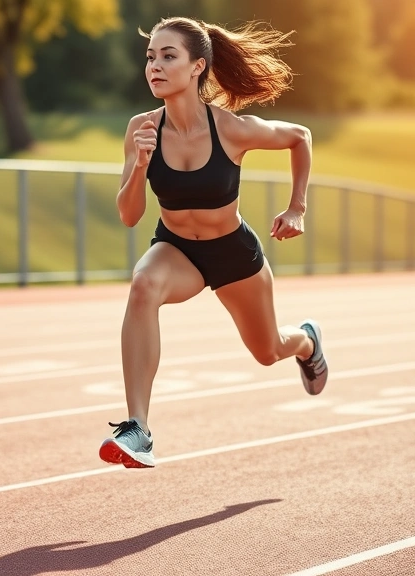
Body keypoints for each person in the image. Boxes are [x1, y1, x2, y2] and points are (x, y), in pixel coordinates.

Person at [99, 16, 329, 469]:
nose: (155, 67)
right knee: (143, 284)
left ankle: (306, 342)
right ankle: (138, 428)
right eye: (150, 57)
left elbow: (298, 137)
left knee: (267, 352)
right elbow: (129, 216)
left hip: (232, 253)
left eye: (168, 57)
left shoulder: (230, 129)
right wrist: (141, 165)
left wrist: (297, 207)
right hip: (177, 250)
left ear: (197, 66)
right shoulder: (140, 129)